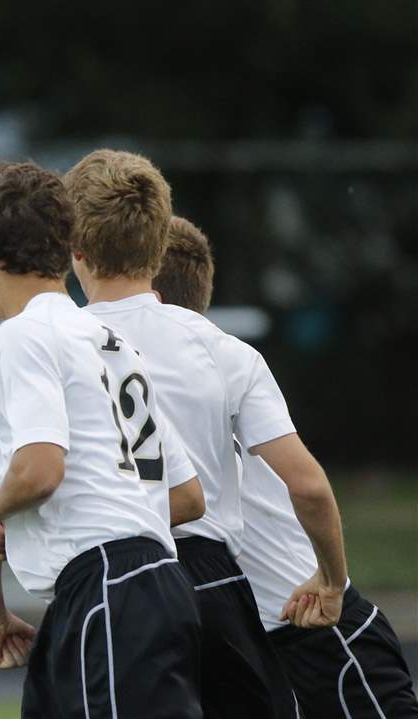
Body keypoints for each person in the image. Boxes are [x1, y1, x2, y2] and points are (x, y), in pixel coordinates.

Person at [65, 148, 348, 718]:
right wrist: (332, 577)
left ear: (74, 251)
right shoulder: (223, 349)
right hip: (212, 581)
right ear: (156, 243)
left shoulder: (54, 342)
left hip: (107, 577)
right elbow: (309, 486)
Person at [0, 161, 203, 719]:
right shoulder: (106, 339)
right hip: (132, 585)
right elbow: (185, 497)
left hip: (107, 591)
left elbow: (38, 472)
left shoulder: (22, 336)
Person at [154, 216, 418, 719]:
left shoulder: (211, 364)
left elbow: (309, 487)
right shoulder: (142, 370)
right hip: (244, 645)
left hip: (312, 631)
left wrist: (332, 581)